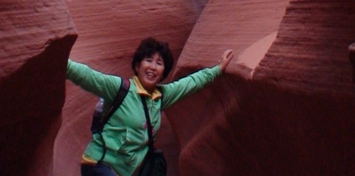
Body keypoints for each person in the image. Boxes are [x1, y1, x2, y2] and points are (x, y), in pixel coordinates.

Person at [67, 37, 234, 176]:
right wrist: (62, 62)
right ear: (137, 66)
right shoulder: (120, 89)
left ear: (164, 72)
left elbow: (189, 84)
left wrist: (217, 70)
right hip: (99, 164)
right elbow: (87, 76)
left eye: (159, 63)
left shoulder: (161, 97)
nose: (153, 67)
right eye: (148, 61)